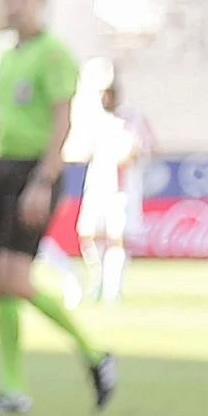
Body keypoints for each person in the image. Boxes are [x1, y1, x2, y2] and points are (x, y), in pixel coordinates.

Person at [0, 0, 117, 416]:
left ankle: (95, 353)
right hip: (4, 168)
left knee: (15, 279)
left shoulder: (53, 53)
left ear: (41, 1)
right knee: (0, 283)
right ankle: (12, 388)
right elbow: (5, 125)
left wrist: (44, 179)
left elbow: (62, 120)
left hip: (35, 169)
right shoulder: (10, 57)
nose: (13, 5)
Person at [75, 79, 151, 304]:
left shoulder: (130, 120)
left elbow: (135, 151)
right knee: (88, 235)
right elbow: (82, 150)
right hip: (96, 188)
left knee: (117, 239)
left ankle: (113, 290)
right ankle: (97, 281)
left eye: (106, 94)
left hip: (119, 190)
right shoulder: (96, 120)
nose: (103, 98)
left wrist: (119, 158)